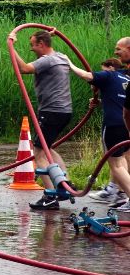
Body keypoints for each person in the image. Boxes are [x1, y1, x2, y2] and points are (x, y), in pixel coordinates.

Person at [9, 30, 72, 210]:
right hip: (64, 111)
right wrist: (55, 34)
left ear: (42, 44)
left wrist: (11, 47)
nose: (32, 49)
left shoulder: (47, 60)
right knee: (48, 148)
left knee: (39, 153)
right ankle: (65, 183)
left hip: (51, 111)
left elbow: (24, 69)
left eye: (33, 45)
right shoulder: (61, 57)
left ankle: (50, 195)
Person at [66, 55, 130, 211]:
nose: (100, 73)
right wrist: (100, 101)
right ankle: (118, 192)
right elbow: (118, 101)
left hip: (113, 124)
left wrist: (69, 63)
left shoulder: (109, 75)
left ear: (110, 68)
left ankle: (124, 193)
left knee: (115, 164)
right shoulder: (125, 79)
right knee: (121, 160)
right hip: (126, 124)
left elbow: (86, 75)